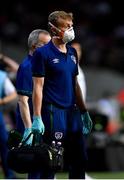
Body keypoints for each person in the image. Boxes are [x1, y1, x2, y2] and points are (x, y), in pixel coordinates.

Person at [31, 11, 92, 179]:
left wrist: (83, 110)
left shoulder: (72, 53)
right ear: (54, 29)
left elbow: (75, 84)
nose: (71, 30)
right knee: (52, 159)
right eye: (67, 26)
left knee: (80, 159)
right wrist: (36, 117)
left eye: (71, 26)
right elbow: (38, 87)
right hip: (53, 111)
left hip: (72, 111)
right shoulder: (42, 54)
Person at [16, 29, 51, 141]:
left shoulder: (43, 65)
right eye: (46, 45)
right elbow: (22, 100)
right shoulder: (27, 67)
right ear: (34, 46)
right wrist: (28, 127)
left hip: (43, 120)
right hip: (31, 123)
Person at [0, 69, 17, 179]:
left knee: (4, 142)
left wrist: (2, 101)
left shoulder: (1, 75)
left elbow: (13, 93)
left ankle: (10, 175)